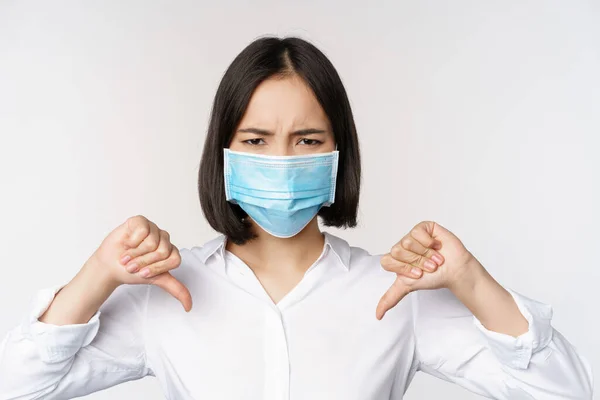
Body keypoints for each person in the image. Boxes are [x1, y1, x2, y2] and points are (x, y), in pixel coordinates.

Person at [0, 36, 593, 400]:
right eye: (256, 140)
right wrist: (98, 276)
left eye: (307, 140)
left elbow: (564, 392)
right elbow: (18, 385)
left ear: (339, 154)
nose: (282, 160)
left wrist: (470, 280)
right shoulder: (169, 296)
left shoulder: (392, 296)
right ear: (224, 154)